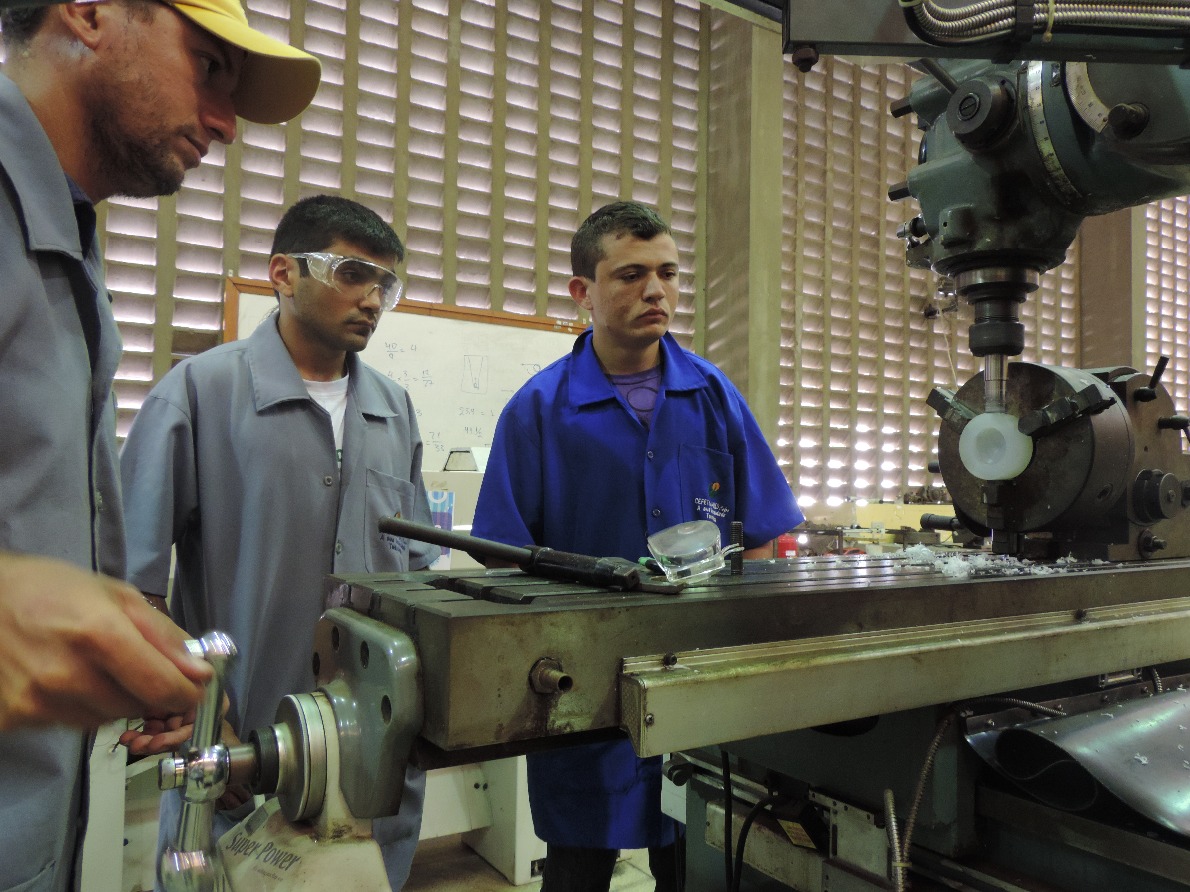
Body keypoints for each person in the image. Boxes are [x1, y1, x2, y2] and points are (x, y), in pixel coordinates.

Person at [0, 0, 319, 889]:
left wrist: (119, 638)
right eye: (210, 67)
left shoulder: (65, 247)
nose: (224, 122)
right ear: (91, 13)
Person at [470, 200, 804, 891]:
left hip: (699, 681)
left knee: (698, 857)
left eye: (667, 273)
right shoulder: (539, 409)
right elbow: (502, 552)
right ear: (582, 290)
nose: (656, 290)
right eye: (629, 275)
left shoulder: (713, 397)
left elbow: (766, 536)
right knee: (578, 864)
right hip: (581, 690)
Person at [119, 194, 441, 889]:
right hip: (240, 761)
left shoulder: (395, 410)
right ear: (283, 273)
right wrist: (212, 723)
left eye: (385, 283)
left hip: (369, 761)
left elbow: (416, 570)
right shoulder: (199, 394)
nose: (372, 299)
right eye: (352, 273)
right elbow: (132, 593)